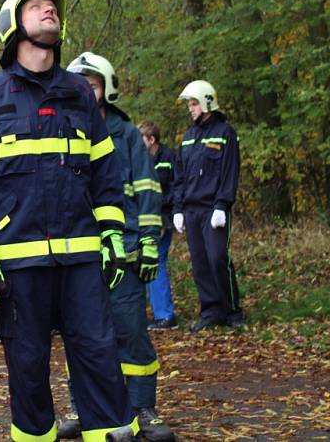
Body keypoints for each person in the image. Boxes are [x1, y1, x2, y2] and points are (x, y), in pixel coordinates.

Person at [0, 0, 138, 441]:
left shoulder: (80, 93)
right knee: (28, 368)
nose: (49, 12)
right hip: (18, 260)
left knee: (99, 354)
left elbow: (105, 174)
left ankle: (111, 434)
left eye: (53, 7)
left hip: (82, 257)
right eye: (37, 7)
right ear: (13, 25)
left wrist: (114, 234)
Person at [59, 53, 174, 442]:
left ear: (106, 87)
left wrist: (147, 242)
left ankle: (142, 407)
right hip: (79, 253)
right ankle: (82, 406)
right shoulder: (60, 130)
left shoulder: (125, 134)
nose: (85, 90)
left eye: (92, 83)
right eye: (79, 83)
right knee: (82, 336)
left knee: (130, 331)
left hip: (123, 251)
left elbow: (147, 190)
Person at [173, 80, 243, 332]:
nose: (190, 109)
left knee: (217, 258)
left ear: (206, 103)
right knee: (200, 262)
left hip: (213, 208)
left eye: (193, 103)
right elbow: (178, 176)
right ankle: (211, 310)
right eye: (189, 104)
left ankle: (232, 309)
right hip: (191, 210)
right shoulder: (188, 137)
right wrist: (177, 209)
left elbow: (229, 172)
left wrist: (222, 205)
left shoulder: (225, 133)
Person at [138, 120, 178, 330]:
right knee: (149, 262)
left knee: (157, 261)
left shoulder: (169, 158)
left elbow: (176, 186)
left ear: (152, 140)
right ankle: (158, 312)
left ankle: (165, 314)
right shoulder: (141, 161)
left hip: (162, 219)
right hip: (145, 220)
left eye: (141, 139)